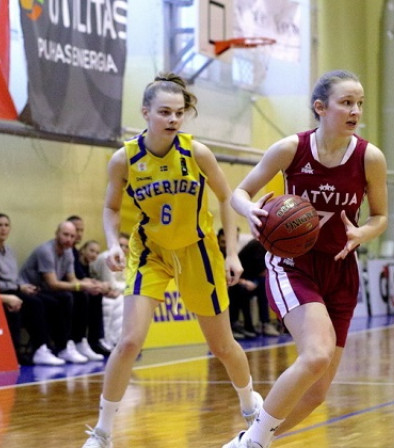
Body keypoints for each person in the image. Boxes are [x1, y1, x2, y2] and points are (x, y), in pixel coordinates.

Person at [82, 72, 261, 448]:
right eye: (164, 112)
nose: (173, 119)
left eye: (179, 112)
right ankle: (102, 432)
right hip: (150, 251)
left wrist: (231, 253)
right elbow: (111, 207)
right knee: (129, 341)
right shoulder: (124, 158)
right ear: (146, 112)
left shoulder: (196, 152)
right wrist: (113, 242)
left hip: (197, 250)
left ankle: (251, 407)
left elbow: (227, 198)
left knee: (222, 346)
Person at [223, 69, 388, 448]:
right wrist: (250, 211)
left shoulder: (369, 158)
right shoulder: (291, 149)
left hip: (342, 269)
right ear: (320, 107)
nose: (355, 111)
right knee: (315, 355)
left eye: (359, 103)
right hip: (294, 266)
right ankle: (255, 443)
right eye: (346, 102)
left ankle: (248, 439)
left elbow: (380, 216)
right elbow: (240, 192)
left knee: (317, 393)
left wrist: (364, 232)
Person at [19, 221, 99, 364]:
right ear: (57, 234)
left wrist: (88, 285)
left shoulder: (68, 252)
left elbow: (72, 279)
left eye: (72, 236)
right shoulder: (46, 251)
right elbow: (53, 284)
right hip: (29, 288)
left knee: (82, 296)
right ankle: (56, 347)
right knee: (66, 297)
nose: (69, 239)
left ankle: (78, 341)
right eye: (65, 235)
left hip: (44, 290)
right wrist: (82, 286)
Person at [0, 213, 64, 366]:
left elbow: (13, 277)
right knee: (33, 304)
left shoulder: (10, 251)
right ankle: (35, 349)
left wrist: (22, 287)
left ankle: (50, 347)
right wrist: (17, 287)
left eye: (6, 225)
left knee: (49, 301)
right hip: (3, 292)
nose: (3, 229)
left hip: (15, 288)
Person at [67, 216, 108, 360]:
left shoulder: (74, 251)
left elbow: (80, 277)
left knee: (96, 294)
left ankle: (95, 340)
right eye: (75, 230)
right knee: (82, 295)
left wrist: (95, 284)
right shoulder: (68, 251)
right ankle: (77, 340)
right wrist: (90, 284)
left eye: (81, 230)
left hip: (73, 287)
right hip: (64, 288)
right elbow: (72, 278)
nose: (78, 234)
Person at [72, 240, 112, 359]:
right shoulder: (75, 262)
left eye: (97, 252)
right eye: (91, 251)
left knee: (97, 295)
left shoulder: (89, 266)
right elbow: (81, 280)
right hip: (72, 292)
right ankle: (80, 340)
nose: (94, 255)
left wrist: (102, 286)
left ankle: (96, 340)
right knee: (86, 297)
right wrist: (100, 285)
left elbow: (90, 281)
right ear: (83, 250)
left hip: (82, 291)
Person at [90, 233, 128, 350]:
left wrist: (124, 288)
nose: (123, 248)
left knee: (123, 300)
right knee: (110, 303)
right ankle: (105, 340)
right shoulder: (107, 257)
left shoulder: (122, 260)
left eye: (126, 246)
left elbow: (123, 283)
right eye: (120, 245)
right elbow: (111, 284)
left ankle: (117, 340)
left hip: (108, 291)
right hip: (97, 290)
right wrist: (125, 288)